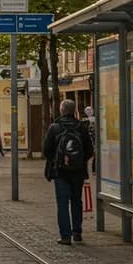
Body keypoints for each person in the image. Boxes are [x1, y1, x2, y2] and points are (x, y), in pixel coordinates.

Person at [43, 99, 95, 245]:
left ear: (62, 110)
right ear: (74, 111)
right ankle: (77, 232)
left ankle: (65, 236)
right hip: (78, 171)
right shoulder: (81, 127)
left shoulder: (55, 127)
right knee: (77, 201)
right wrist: (79, 161)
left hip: (60, 172)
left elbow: (46, 150)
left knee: (63, 203)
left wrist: (57, 160)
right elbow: (90, 150)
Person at [84, 105, 98, 172]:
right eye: (88, 110)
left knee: (94, 154)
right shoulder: (84, 120)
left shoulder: (94, 119)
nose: (89, 111)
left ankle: (94, 169)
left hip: (93, 139)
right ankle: (93, 169)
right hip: (89, 139)